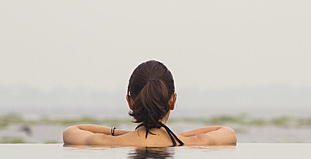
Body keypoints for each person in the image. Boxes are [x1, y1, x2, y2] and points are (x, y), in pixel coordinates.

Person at [63, 60, 237, 147]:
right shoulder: (195, 143)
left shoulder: (107, 143)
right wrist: (174, 134)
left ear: (130, 102)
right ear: (173, 101)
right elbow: (227, 132)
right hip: (176, 139)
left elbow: (71, 131)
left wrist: (123, 134)